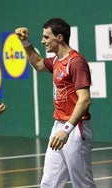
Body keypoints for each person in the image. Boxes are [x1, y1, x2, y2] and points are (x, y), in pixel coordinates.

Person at [15, 18, 97, 188]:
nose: (42, 41)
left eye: (46, 37)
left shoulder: (76, 62)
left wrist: (66, 129)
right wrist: (24, 41)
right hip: (58, 126)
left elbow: (85, 99)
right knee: (49, 183)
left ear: (59, 38)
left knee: (82, 184)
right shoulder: (56, 61)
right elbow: (37, 64)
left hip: (75, 128)